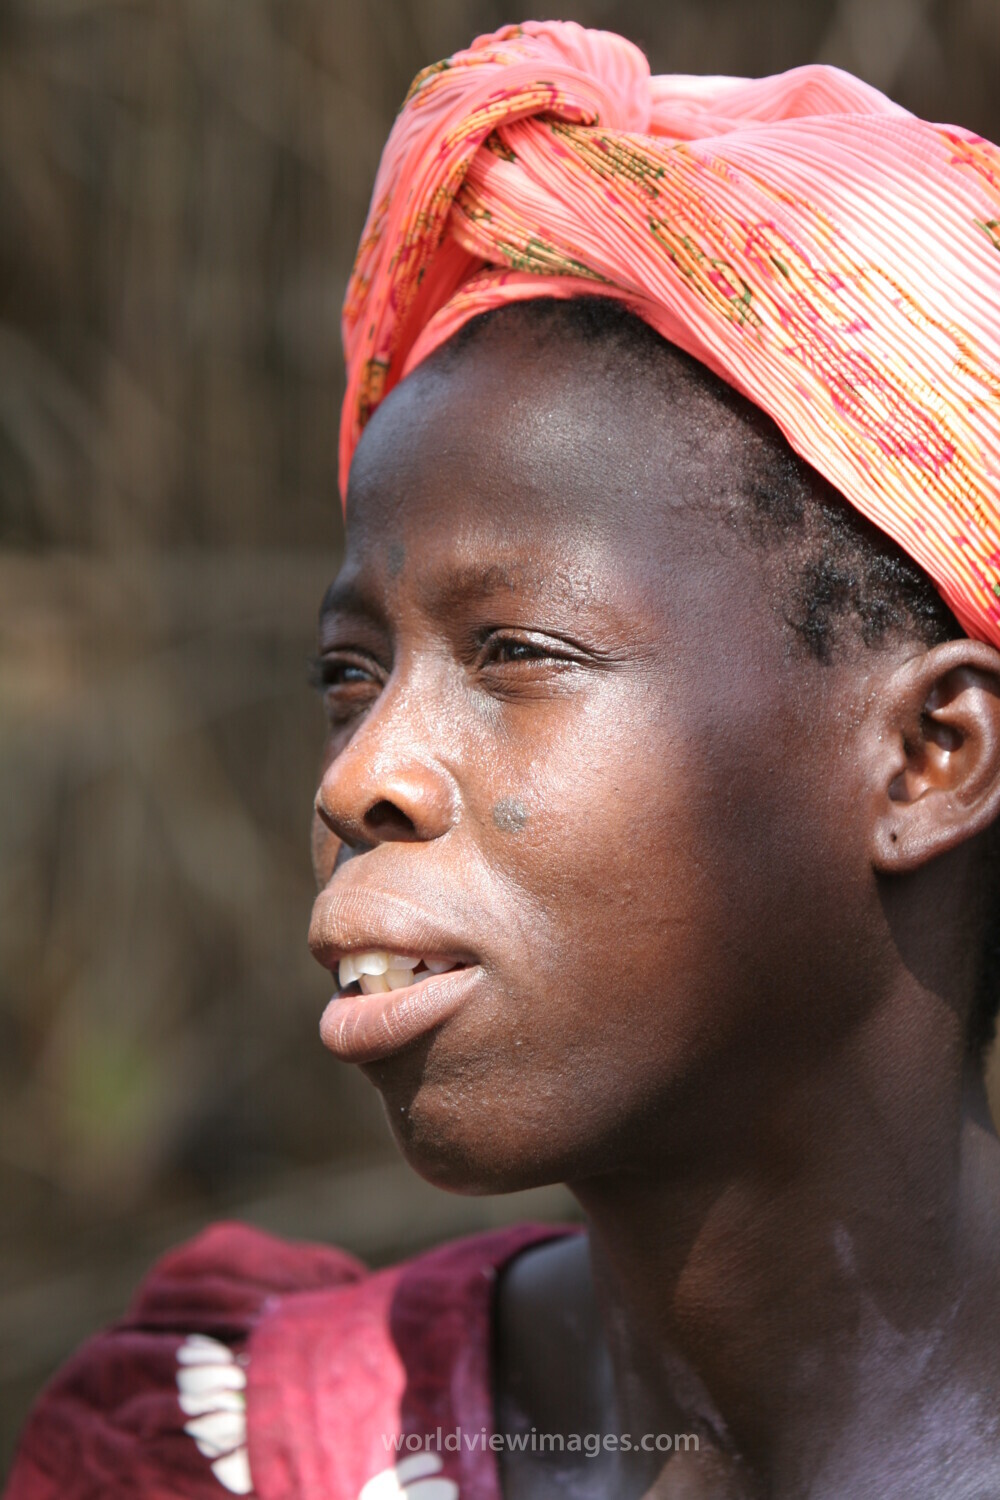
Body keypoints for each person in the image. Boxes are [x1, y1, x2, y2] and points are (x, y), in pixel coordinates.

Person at [8, 19, 1000, 1500]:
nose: (358, 779)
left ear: (930, 756)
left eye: (517, 652)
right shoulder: (225, 1454)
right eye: (350, 673)